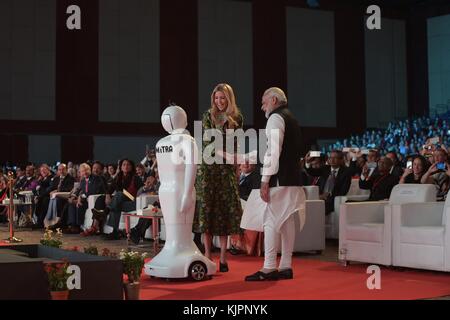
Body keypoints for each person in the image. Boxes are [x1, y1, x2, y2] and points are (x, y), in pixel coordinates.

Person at [245, 87, 304, 281]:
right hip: (293, 178)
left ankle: (269, 267)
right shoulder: (292, 118)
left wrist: (264, 180)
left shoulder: (276, 118)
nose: (262, 107)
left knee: (270, 219)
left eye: (264, 102)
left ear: (274, 99)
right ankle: (286, 265)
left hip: (279, 179)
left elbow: (273, 151)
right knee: (286, 221)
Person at [193, 83, 244, 272]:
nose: (219, 101)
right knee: (207, 211)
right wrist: (227, 154)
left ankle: (222, 257)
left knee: (224, 212)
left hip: (227, 171)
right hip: (207, 170)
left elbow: (236, 143)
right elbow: (207, 143)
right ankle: (207, 255)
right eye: (216, 98)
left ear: (229, 99)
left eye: (223, 98)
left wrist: (237, 165)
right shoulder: (208, 115)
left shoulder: (237, 118)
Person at [103, 159, 143, 240]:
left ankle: (107, 209)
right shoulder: (118, 177)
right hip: (123, 203)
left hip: (134, 202)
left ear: (132, 167)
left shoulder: (136, 178)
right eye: (124, 165)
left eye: (128, 165)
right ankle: (115, 232)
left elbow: (141, 191)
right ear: (121, 167)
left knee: (119, 194)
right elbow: (109, 189)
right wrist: (107, 195)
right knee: (117, 204)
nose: (126, 166)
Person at [305, 150, 352, 214]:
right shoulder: (325, 168)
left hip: (332, 201)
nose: (332, 160)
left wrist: (328, 196)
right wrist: (307, 163)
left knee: (316, 209)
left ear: (341, 160)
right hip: (319, 198)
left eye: (335, 158)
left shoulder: (346, 172)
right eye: (330, 158)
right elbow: (313, 172)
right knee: (305, 206)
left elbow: (343, 191)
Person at [64, 163, 106, 234]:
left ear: (90, 170)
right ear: (80, 172)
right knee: (71, 204)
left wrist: (81, 197)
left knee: (79, 204)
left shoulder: (96, 178)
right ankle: (73, 225)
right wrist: (76, 196)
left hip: (93, 200)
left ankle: (78, 226)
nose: (85, 172)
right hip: (85, 199)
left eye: (86, 170)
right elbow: (81, 190)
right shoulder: (83, 180)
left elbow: (94, 190)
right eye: (83, 171)